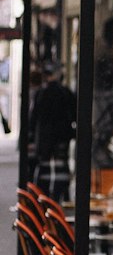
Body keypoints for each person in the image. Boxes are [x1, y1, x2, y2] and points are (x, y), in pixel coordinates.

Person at [28, 62, 76, 199]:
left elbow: (33, 118)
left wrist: (31, 137)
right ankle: (61, 196)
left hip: (45, 139)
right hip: (62, 137)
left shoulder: (41, 94)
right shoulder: (65, 92)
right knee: (62, 167)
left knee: (44, 168)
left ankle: (43, 198)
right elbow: (74, 115)